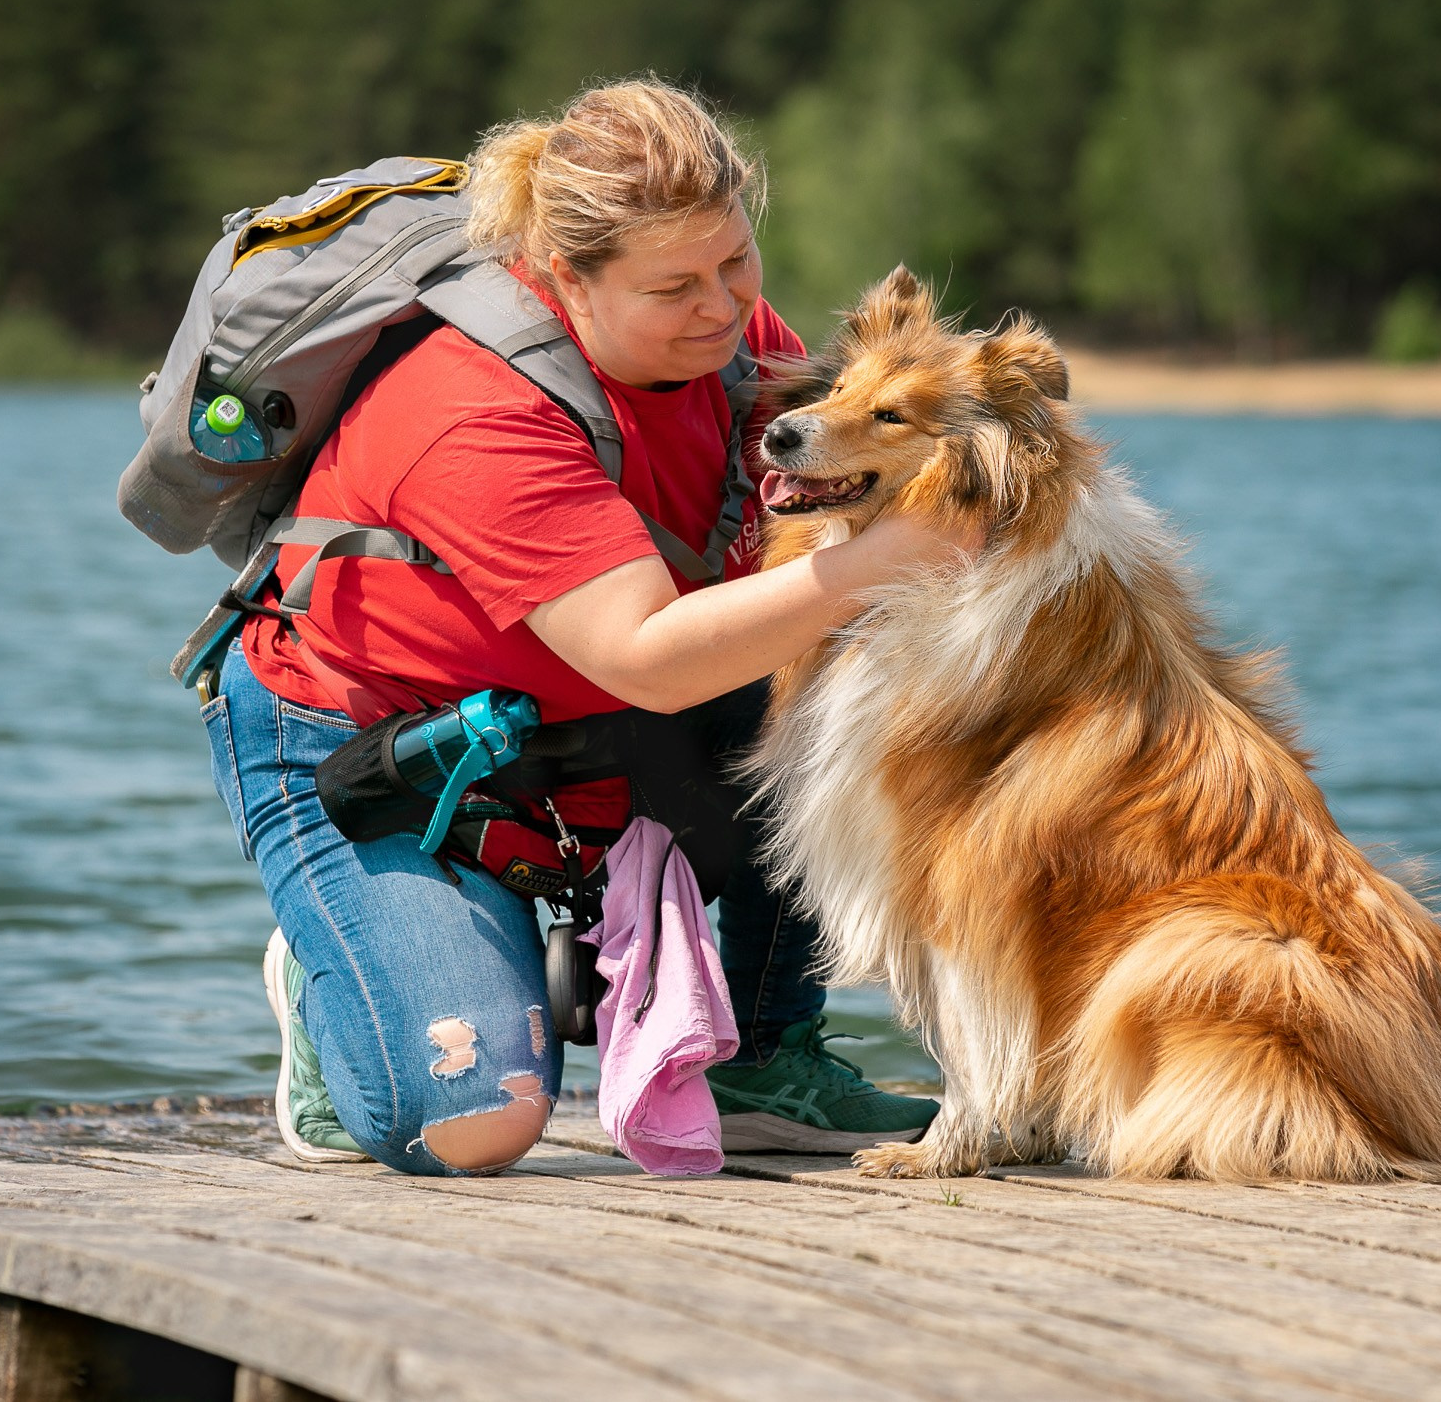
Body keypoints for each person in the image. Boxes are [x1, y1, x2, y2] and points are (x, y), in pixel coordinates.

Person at [200, 79, 972, 1175]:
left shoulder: (734, 343)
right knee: (472, 1121)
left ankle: (760, 1054)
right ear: (566, 274)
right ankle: (332, 989)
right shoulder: (473, 408)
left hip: (582, 738)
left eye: (734, 263)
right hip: (385, 759)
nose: (723, 306)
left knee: (836, 679)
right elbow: (646, 658)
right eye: (674, 285)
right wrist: (890, 557)